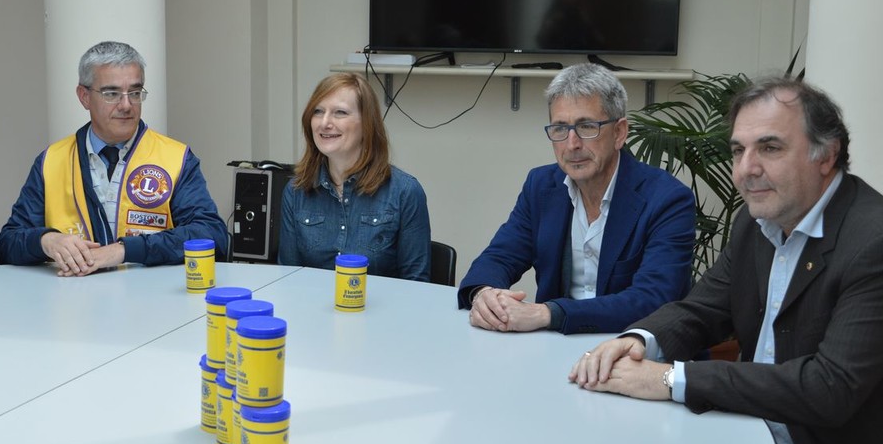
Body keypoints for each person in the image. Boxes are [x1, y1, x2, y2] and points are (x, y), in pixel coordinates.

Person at [569, 79, 883, 444]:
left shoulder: (872, 240)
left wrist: (671, 379)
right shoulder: (756, 221)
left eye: (769, 148)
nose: (746, 169)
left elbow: (828, 389)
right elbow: (702, 309)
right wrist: (639, 341)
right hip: (748, 435)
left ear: (826, 155)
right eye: (738, 150)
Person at [459, 63, 695, 334]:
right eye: (560, 129)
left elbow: (652, 299)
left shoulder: (667, 200)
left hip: (632, 347)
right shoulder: (541, 186)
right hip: (555, 346)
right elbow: (499, 257)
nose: (572, 144)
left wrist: (548, 313)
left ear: (619, 133)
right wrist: (484, 294)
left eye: (587, 126)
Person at [0, 41, 228, 276]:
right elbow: (5, 245)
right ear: (84, 97)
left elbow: (212, 235)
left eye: (134, 93)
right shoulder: (52, 161)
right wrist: (45, 240)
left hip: (153, 295)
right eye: (112, 94)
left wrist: (124, 250)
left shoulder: (175, 158)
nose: (126, 105)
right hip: (74, 296)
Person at [278, 72, 431, 281]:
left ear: (367, 124)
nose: (324, 122)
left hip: (383, 304)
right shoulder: (296, 191)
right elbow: (287, 279)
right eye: (318, 111)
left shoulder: (405, 192)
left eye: (340, 112)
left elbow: (417, 284)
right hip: (310, 303)